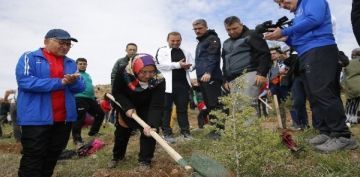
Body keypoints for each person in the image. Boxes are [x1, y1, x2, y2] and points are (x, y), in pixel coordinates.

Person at [265, 0, 358, 152]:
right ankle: (326, 132)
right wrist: (285, 38)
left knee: (324, 93)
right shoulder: (297, 15)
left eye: (281, 0)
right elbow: (298, 41)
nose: (281, 5)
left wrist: (285, 32)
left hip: (320, 49)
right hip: (306, 53)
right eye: (278, 3)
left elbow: (315, 19)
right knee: (314, 95)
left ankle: (343, 136)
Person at [15, 29, 85, 177]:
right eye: (61, 43)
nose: (65, 47)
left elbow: (81, 86)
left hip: (63, 119)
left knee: (53, 156)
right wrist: (60, 82)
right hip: (36, 118)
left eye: (68, 44)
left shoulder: (71, 63)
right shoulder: (30, 57)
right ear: (46, 41)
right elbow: (25, 81)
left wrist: (71, 82)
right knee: (33, 157)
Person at [108, 53, 165, 170]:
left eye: (151, 71)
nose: (148, 75)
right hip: (126, 103)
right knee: (122, 130)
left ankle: (145, 160)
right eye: (143, 72)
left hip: (148, 105)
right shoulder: (123, 72)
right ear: (135, 69)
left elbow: (157, 104)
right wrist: (127, 107)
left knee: (150, 131)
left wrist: (152, 124)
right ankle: (117, 157)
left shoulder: (159, 79)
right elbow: (117, 92)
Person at [221, 16, 271, 117]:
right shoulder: (226, 43)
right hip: (232, 79)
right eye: (228, 29)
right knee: (236, 107)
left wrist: (262, 73)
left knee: (247, 105)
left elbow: (264, 54)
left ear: (241, 24)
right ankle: (241, 133)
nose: (231, 32)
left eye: (234, 28)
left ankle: (251, 133)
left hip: (250, 73)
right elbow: (225, 62)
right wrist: (225, 79)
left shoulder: (252, 34)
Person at [156, 31, 195, 143]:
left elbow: (193, 65)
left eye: (178, 41)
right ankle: (167, 134)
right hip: (167, 85)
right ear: (168, 40)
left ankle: (185, 133)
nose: (175, 43)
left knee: (182, 110)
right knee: (166, 109)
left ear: (181, 40)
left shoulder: (186, 52)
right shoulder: (162, 50)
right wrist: (178, 65)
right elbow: (159, 65)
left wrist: (188, 67)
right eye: (173, 41)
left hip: (183, 85)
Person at [192, 19, 223, 139]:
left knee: (214, 104)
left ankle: (219, 131)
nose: (197, 31)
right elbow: (202, 59)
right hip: (202, 77)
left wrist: (208, 72)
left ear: (206, 27)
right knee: (209, 105)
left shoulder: (212, 39)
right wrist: (194, 66)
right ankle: (214, 129)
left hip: (211, 76)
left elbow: (213, 56)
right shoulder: (200, 42)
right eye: (195, 29)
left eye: (199, 28)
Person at [72, 58, 105, 146]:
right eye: (80, 64)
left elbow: (89, 87)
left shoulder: (88, 75)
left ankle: (93, 132)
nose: (82, 65)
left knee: (100, 113)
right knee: (80, 118)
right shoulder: (74, 74)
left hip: (90, 99)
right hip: (79, 98)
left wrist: (94, 97)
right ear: (76, 65)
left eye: (84, 64)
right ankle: (77, 139)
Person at [343, 48, 360, 124]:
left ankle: (350, 119)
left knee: (351, 103)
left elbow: (343, 78)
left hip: (350, 86)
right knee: (357, 103)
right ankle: (356, 118)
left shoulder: (347, 63)